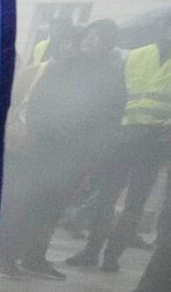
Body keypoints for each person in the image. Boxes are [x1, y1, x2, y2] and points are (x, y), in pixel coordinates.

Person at [0, 22, 126, 280]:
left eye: (101, 38)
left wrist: (96, 151)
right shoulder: (61, 67)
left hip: (76, 153)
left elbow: (112, 115)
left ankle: (35, 257)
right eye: (90, 35)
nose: (93, 41)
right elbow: (38, 105)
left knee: (53, 207)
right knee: (25, 202)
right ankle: (6, 256)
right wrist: (38, 133)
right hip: (43, 147)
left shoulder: (111, 76)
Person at [68, 19, 170, 272]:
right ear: (163, 29)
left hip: (155, 142)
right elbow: (115, 94)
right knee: (107, 196)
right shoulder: (136, 56)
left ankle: (112, 256)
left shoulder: (136, 55)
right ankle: (92, 250)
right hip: (123, 136)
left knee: (135, 203)